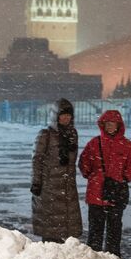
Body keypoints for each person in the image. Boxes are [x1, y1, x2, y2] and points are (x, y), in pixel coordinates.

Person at [78, 109, 131, 256]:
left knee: (114, 229)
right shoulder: (95, 143)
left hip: (115, 193)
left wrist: (123, 178)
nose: (110, 126)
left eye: (113, 124)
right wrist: (93, 176)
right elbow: (84, 162)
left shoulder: (127, 145)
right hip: (97, 193)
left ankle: (112, 258)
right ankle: (94, 258)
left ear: (119, 125)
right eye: (107, 124)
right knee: (95, 230)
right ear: (103, 125)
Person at [30, 98, 82, 242]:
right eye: (62, 114)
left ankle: (62, 257)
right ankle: (50, 255)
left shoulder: (72, 134)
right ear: (55, 116)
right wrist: (36, 182)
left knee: (66, 228)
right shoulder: (45, 134)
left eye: (68, 115)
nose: (66, 118)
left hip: (67, 187)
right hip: (49, 189)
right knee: (50, 230)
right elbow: (37, 160)